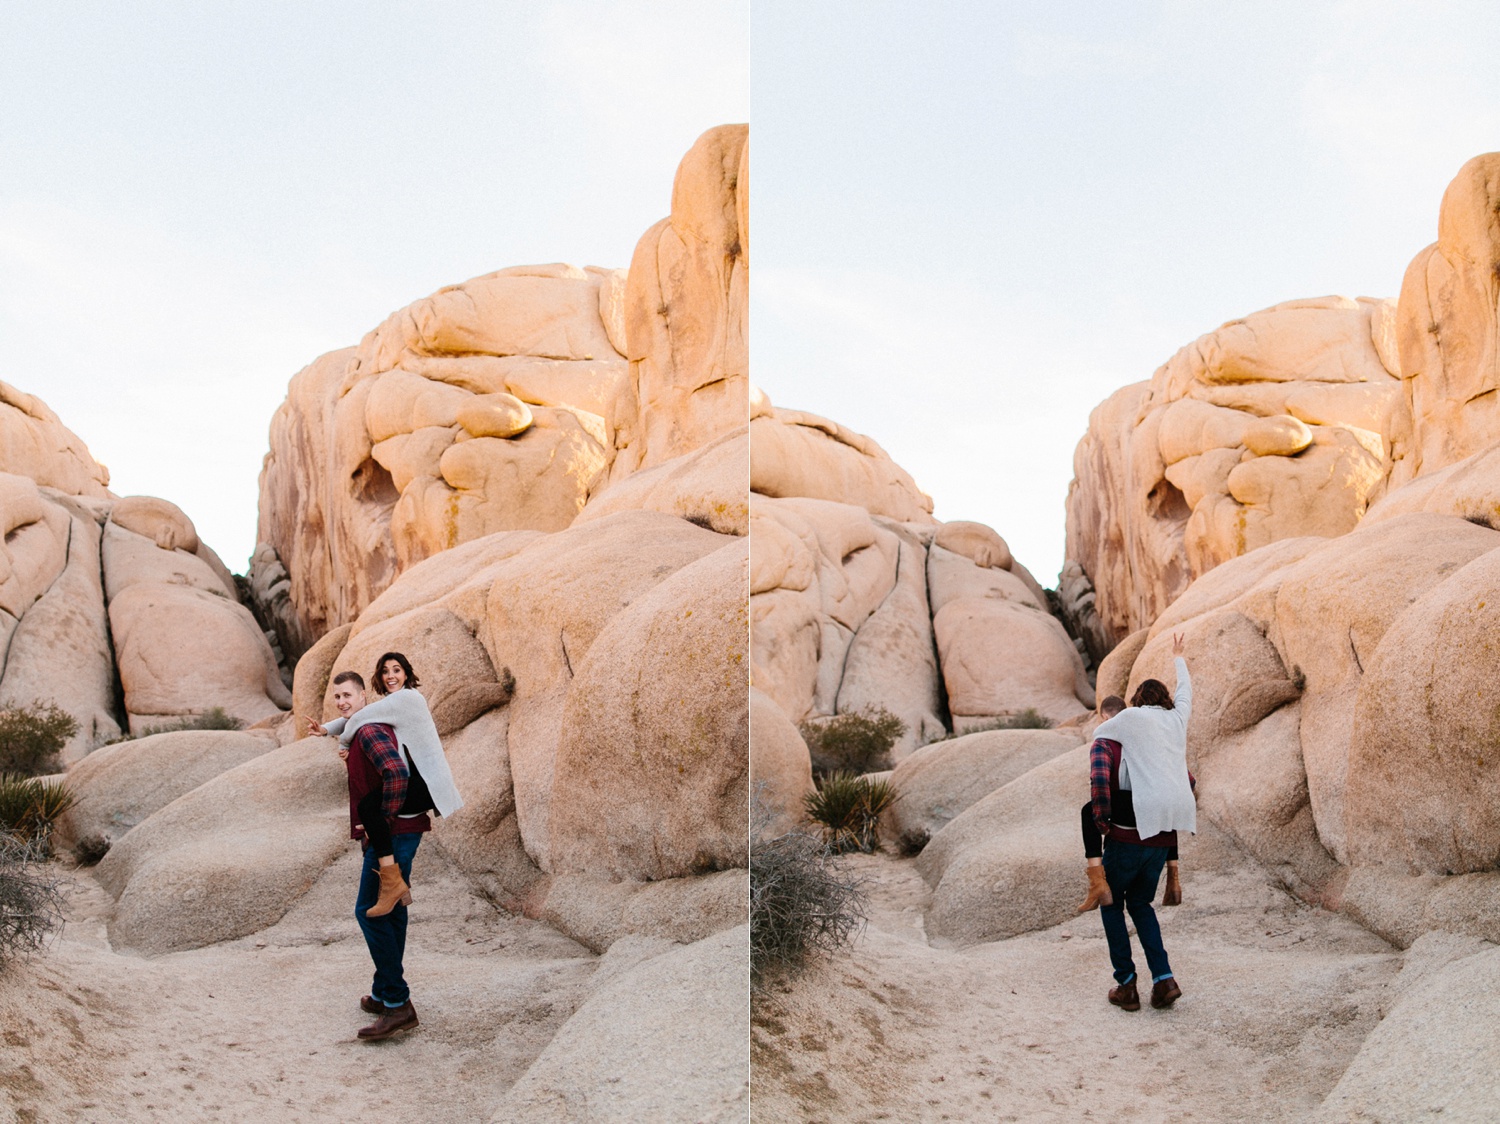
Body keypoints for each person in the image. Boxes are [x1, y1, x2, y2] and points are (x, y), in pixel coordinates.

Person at [1086, 634, 1197, 1012]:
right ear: (1164, 700)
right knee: (1142, 904)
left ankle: (1127, 985)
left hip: (1131, 833)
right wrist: (1179, 658)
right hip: (1167, 834)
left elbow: (1101, 735)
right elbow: (1186, 693)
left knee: (1112, 903)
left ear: (1136, 701)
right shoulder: (1177, 717)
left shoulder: (1130, 719)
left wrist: (1101, 822)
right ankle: (1164, 980)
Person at [1077, 697, 1194, 912]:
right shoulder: (1149, 740)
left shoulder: (1105, 742)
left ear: (1104, 717)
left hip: (1125, 822)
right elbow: (1188, 780)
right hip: (1158, 830)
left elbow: (1100, 783)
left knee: (1088, 810)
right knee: (1165, 809)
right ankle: (1173, 878)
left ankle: (1097, 882)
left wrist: (1103, 825)